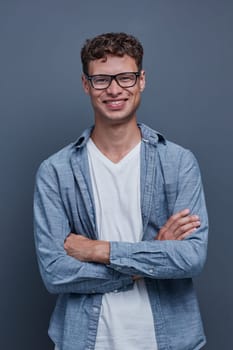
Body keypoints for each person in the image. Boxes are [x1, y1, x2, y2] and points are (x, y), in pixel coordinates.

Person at [34, 32, 208, 350]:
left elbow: (191, 258)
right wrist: (150, 260)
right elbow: (55, 272)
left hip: (169, 340)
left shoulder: (179, 162)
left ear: (141, 80)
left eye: (125, 77)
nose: (114, 89)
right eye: (101, 80)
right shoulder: (56, 171)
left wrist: (98, 250)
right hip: (84, 340)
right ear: (86, 84)